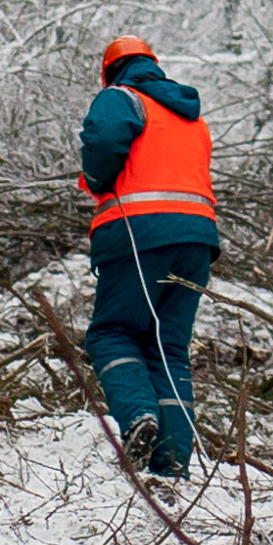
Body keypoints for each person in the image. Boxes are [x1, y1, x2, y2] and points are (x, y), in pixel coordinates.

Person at [80, 33, 216, 479]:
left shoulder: (120, 97)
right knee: (167, 349)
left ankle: (138, 415)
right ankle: (172, 461)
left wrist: (98, 180)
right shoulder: (190, 117)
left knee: (111, 334)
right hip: (198, 239)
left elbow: (103, 139)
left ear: (110, 70)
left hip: (139, 232)